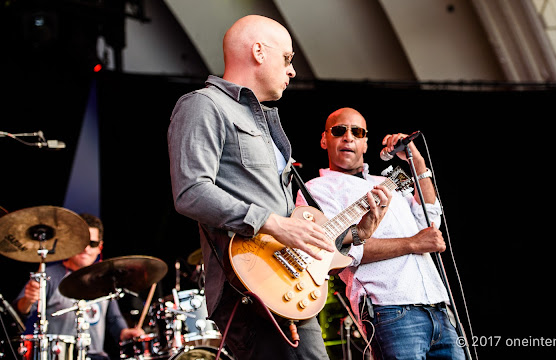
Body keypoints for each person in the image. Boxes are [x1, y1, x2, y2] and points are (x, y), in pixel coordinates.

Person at [167, 14, 389, 360]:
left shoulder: (268, 123)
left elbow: (294, 227)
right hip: (249, 286)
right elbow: (190, 192)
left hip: (284, 285)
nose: (292, 70)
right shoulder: (203, 105)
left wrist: (355, 235)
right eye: (287, 58)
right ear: (258, 51)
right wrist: (273, 222)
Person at [295, 107, 465, 359]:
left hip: (440, 307)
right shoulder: (316, 190)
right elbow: (339, 251)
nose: (348, 137)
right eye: (339, 130)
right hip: (390, 310)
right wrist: (412, 244)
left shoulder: (385, 182)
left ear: (365, 143)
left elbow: (430, 220)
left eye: (357, 132)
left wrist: (416, 162)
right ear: (324, 139)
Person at [13, 213, 144, 360]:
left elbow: (114, 320)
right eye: (82, 242)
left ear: (100, 247)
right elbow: (18, 315)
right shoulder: (50, 275)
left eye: (92, 243)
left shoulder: (105, 278)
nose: (86, 248)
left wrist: (126, 332)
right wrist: (28, 299)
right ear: (72, 243)